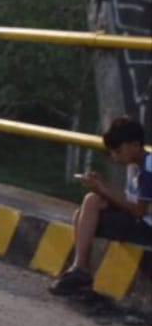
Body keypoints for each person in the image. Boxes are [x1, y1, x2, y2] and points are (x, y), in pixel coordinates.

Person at [49, 117, 152, 296]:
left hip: (147, 228)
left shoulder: (149, 168)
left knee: (89, 209)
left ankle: (81, 269)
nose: (115, 157)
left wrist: (103, 189)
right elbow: (131, 202)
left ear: (135, 145)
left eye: (118, 151)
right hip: (139, 220)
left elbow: (139, 210)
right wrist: (102, 193)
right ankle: (80, 268)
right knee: (87, 206)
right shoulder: (134, 165)